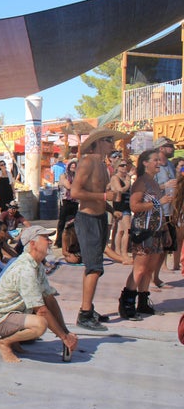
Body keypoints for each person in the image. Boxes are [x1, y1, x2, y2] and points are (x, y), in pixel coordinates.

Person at [0, 226, 77, 363]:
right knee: (40, 324)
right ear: (33, 244)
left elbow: (49, 298)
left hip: (13, 313)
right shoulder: (26, 269)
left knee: (42, 315)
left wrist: (65, 331)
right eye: (46, 238)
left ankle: (14, 342)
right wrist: (64, 338)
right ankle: (4, 343)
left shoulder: (37, 265)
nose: (50, 242)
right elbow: (42, 311)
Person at [70, 128, 127, 331]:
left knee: (95, 267)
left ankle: (88, 309)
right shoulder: (88, 162)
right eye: (108, 141)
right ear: (97, 143)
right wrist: (104, 198)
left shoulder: (103, 165)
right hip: (88, 220)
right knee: (94, 267)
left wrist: (110, 208)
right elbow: (75, 192)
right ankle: (85, 314)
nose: (112, 145)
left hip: (99, 218)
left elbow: (99, 193)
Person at [119, 149, 173, 320]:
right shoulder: (141, 182)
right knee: (140, 268)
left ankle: (142, 302)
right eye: (155, 160)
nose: (159, 163)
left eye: (159, 160)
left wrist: (165, 229)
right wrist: (158, 202)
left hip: (156, 230)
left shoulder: (154, 182)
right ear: (145, 163)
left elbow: (159, 210)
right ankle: (127, 303)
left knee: (149, 269)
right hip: (143, 231)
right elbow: (134, 207)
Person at [151, 137, 177, 290]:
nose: (172, 148)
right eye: (169, 146)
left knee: (165, 248)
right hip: (157, 211)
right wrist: (164, 185)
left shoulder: (170, 166)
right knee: (155, 248)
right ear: (161, 148)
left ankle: (156, 277)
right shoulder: (154, 166)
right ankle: (148, 279)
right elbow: (147, 187)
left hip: (170, 211)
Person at [109, 158, 132, 260]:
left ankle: (119, 252)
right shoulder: (115, 177)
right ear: (117, 167)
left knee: (121, 230)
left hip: (126, 204)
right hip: (120, 205)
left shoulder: (125, 177)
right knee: (127, 230)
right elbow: (120, 190)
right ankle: (123, 253)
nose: (124, 167)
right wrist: (128, 183)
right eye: (121, 165)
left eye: (125, 165)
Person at [55, 158, 79, 248]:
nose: (73, 167)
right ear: (68, 167)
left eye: (75, 166)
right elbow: (68, 186)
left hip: (75, 201)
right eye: (72, 166)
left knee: (73, 222)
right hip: (65, 201)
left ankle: (71, 242)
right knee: (62, 222)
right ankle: (59, 242)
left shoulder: (78, 176)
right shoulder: (63, 175)